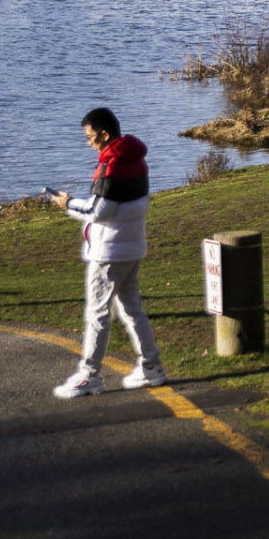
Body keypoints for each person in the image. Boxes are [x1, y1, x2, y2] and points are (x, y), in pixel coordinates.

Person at [48, 107, 166, 398]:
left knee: (98, 314)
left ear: (104, 134)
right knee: (131, 309)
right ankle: (152, 367)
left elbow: (99, 211)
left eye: (90, 137)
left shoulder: (110, 165)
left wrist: (68, 204)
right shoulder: (136, 160)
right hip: (132, 245)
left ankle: (90, 375)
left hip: (109, 251)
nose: (89, 143)